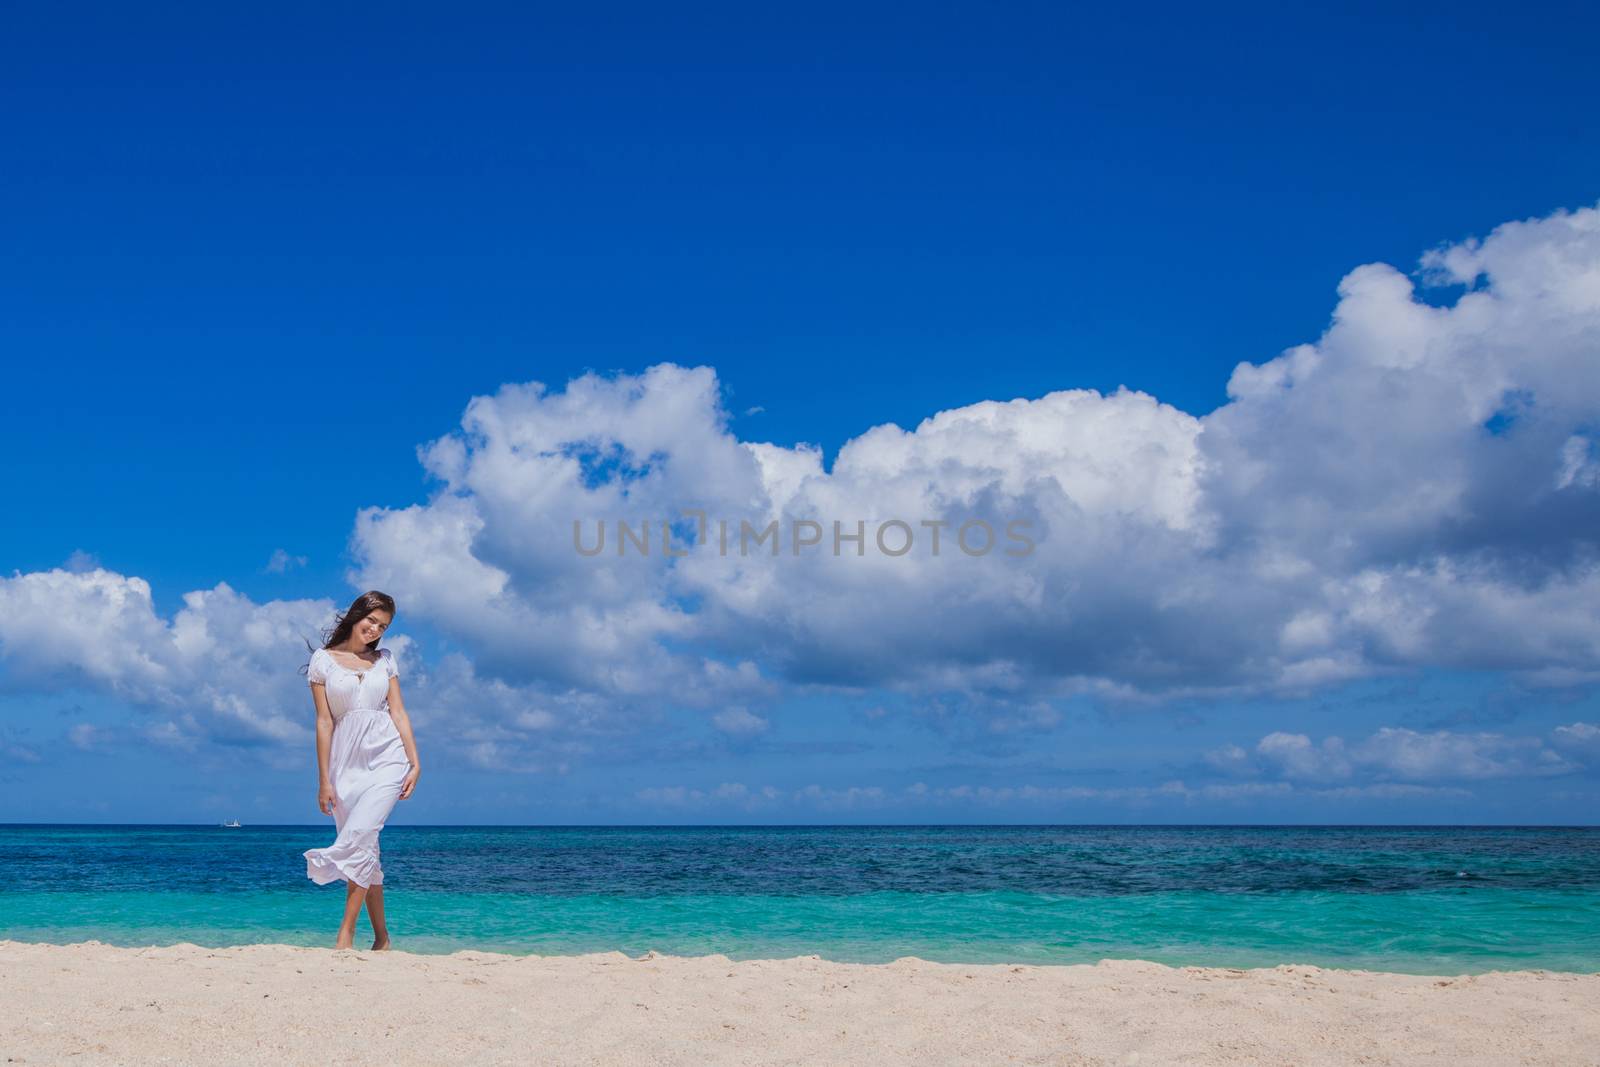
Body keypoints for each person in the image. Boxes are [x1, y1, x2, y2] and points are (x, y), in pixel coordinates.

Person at [301, 590, 422, 950]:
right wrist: (323, 780)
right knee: (367, 848)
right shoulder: (322, 661)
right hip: (345, 764)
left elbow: (398, 711)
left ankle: (346, 933)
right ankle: (382, 939)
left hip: (387, 756)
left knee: (362, 834)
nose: (375, 629)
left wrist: (415, 761)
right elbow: (324, 722)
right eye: (372, 620)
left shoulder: (385, 660)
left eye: (383, 625)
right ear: (357, 615)